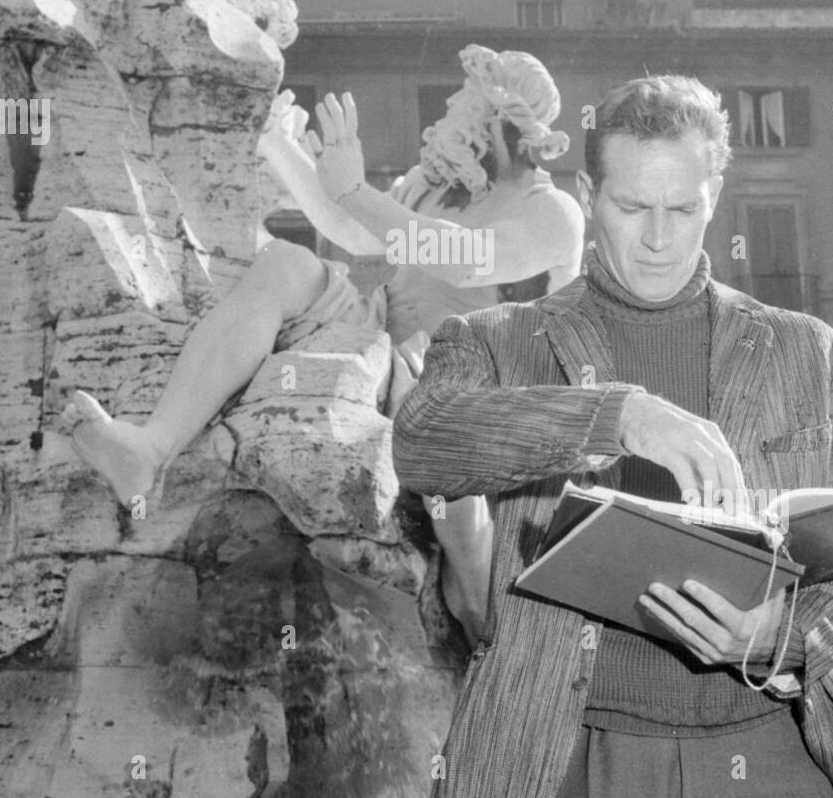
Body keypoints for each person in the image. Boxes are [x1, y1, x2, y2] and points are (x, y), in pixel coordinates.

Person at [392, 73, 833, 798]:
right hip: (573, 763)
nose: (657, 237)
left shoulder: (812, 352)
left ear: (714, 196)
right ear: (587, 192)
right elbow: (423, 441)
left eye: (681, 209)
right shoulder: (496, 340)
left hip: (775, 758)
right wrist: (617, 417)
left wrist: (777, 637)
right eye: (631, 207)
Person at [66, 45, 583, 639]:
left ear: (497, 118)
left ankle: (481, 614)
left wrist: (358, 189)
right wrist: (276, 143)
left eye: (462, 100)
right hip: (385, 342)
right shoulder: (429, 189)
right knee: (285, 263)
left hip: (470, 380)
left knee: (455, 478)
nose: (445, 110)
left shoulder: (552, 211)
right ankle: (148, 450)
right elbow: (347, 229)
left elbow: (465, 263)